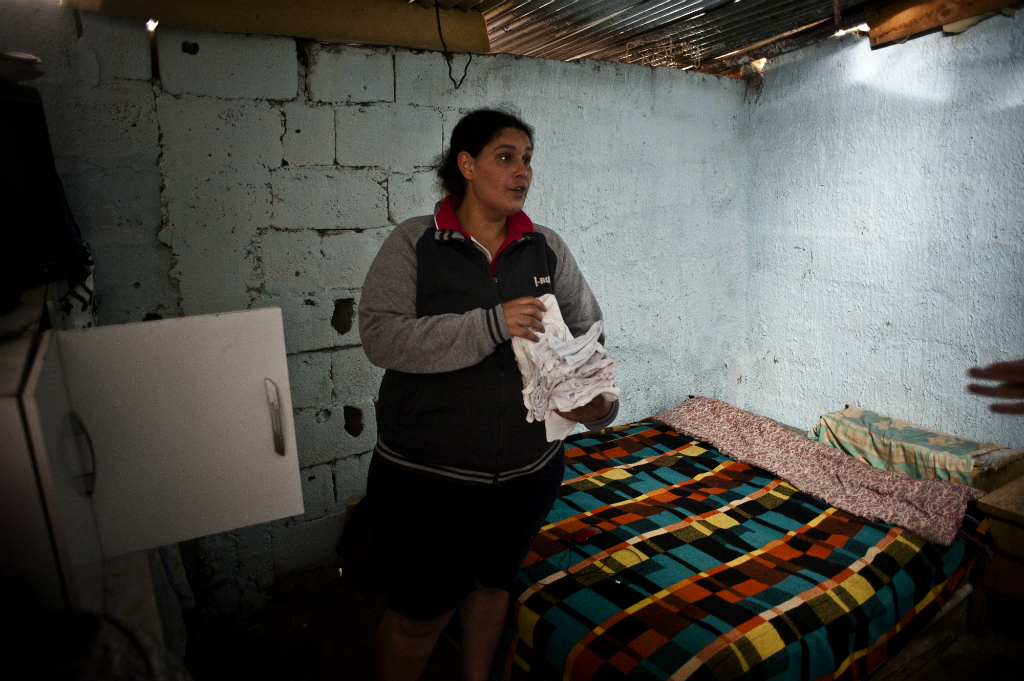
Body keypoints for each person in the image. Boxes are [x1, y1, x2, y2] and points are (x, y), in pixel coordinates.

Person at [358, 110, 617, 681]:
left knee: (491, 592)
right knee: (420, 616)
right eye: (506, 156)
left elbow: (591, 340)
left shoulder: (546, 248)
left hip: (528, 475)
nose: (522, 171)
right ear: (467, 165)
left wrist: (599, 404)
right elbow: (381, 335)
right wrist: (490, 325)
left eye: (527, 159)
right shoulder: (415, 243)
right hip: (427, 481)